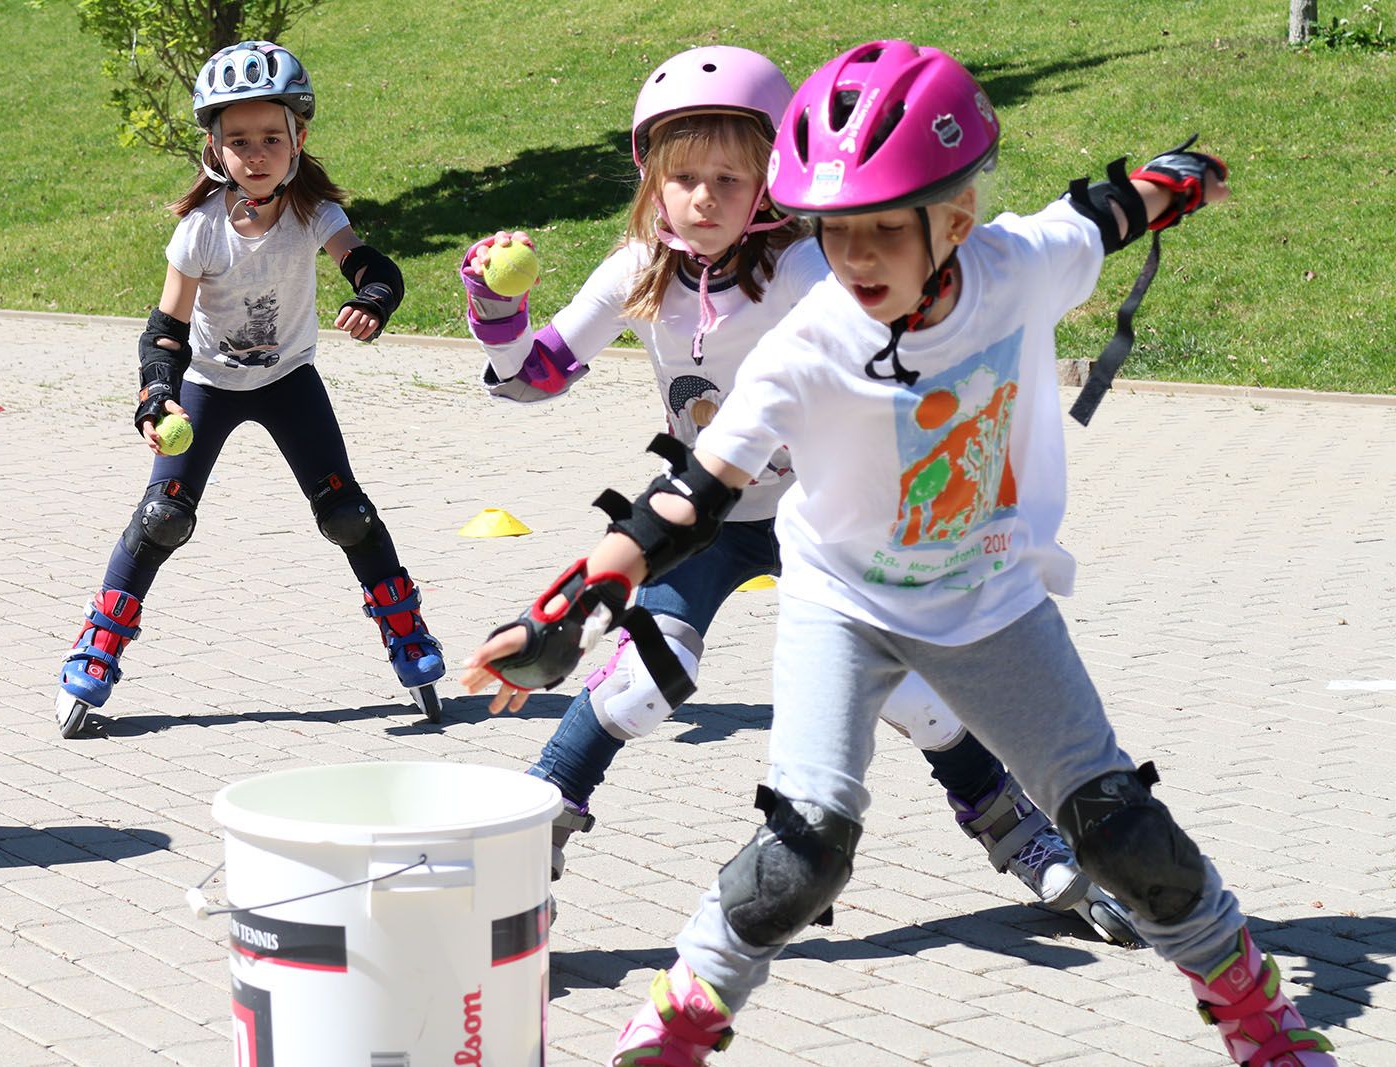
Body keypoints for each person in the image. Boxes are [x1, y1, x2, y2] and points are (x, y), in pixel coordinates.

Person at [462, 40, 1334, 1067]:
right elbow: (691, 492)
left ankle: (1257, 1017)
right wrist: (576, 598)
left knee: (1122, 832)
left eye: (884, 229)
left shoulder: (1018, 265)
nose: (858, 257)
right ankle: (673, 1028)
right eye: (836, 233)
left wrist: (1171, 183)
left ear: (955, 220)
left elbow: (1103, 215)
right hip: (837, 601)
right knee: (800, 852)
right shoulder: (807, 340)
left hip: (992, 601)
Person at [459, 45, 1134, 943]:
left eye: (729, 179)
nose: (704, 199)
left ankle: (1031, 842)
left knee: (915, 699)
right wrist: (496, 316)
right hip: (700, 509)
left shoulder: (807, 272)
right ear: (651, 180)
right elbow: (534, 377)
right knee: (645, 682)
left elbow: (915, 344)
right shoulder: (637, 267)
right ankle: (528, 852)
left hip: (821, 512)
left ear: (773, 185)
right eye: (685, 176)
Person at [55, 40, 444, 738]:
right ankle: (99, 641)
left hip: (289, 380)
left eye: (271, 137)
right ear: (213, 145)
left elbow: (369, 265)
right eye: (239, 141)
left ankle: (405, 630)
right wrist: (156, 395)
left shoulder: (313, 211)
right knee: (161, 517)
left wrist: (376, 298)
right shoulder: (199, 230)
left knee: (346, 511)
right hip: (208, 384)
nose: (256, 154)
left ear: (299, 137)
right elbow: (165, 332)